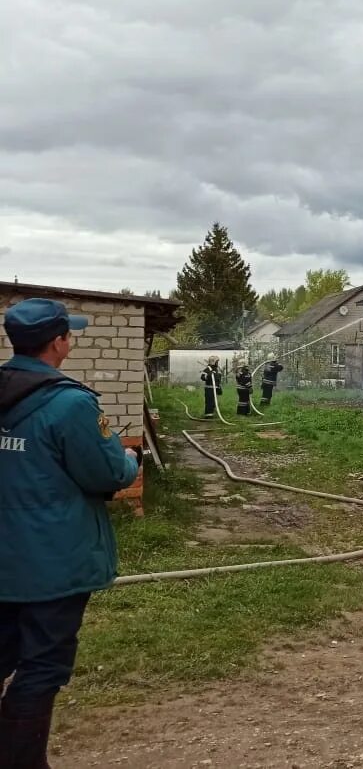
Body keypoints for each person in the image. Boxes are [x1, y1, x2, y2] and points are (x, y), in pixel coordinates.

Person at [0, 298, 141, 766]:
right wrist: (128, 461)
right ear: (59, 342)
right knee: (41, 667)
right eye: (69, 333)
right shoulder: (70, 403)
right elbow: (104, 474)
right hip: (51, 565)